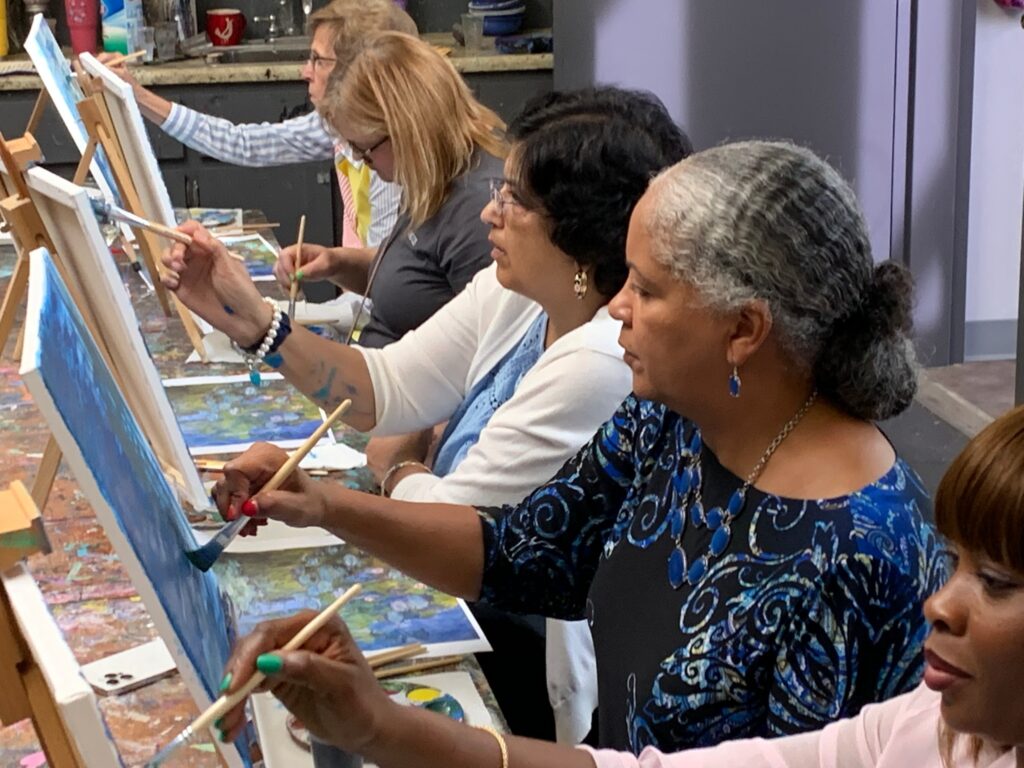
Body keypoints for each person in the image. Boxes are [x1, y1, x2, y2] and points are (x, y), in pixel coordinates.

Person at [202, 140, 948, 756]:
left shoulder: (861, 558)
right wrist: (328, 505)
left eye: (647, 291)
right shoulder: (676, 420)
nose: (617, 306)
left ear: (743, 331)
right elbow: (525, 552)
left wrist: (387, 728)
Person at [162, 86, 691, 741]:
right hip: (463, 586)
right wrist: (249, 318)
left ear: (579, 235)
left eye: (514, 199)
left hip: (511, 648)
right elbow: (385, 388)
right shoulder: (522, 292)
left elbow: (452, 531)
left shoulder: (603, 359)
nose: (489, 214)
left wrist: (395, 468)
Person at [204, 402, 1024, 768]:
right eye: (952, 566)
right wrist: (376, 725)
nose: (938, 604)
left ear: (743, 328)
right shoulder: (931, 732)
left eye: (991, 580)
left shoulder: (856, 549)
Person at [101, 0, 414, 248]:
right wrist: (137, 95)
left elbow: (382, 289)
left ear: (358, 73)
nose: (305, 71)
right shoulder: (335, 125)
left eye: (317, 60)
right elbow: (244, 143)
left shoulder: (391, 158)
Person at [274, 31, 505, 347]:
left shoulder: (478, 210)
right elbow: (415, 280)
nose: (359, 158)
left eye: (364, 148)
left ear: (408, 129)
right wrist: (337, 263)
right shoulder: (432, 173)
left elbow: (486, 356)